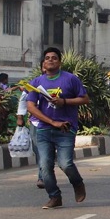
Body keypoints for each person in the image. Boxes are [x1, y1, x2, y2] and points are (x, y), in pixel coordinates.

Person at [25, 47, 90, 209]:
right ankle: (54, 197)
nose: (50, 60)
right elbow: (31, 107)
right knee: (45, 166)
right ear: (43, 63)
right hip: (44, 130)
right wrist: (51, 122)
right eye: (47, 58)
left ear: (59, 62)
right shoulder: (37, 82)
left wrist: (64, 102)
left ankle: (77, 183)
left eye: (54, 58)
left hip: (66, 129)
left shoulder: (70, 79)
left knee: (65, 163)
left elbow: (85, 99)